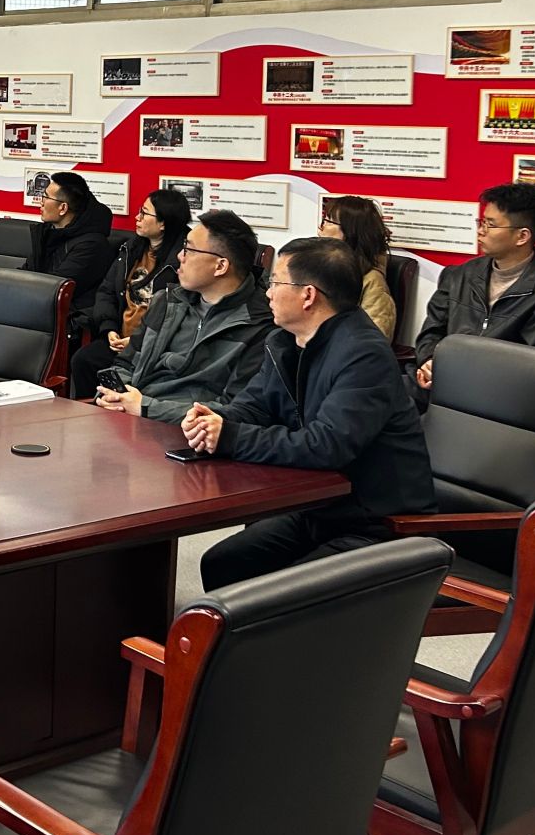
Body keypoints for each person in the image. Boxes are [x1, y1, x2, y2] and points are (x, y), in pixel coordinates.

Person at [184, 237, 434, 588]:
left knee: (284, 592)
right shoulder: (285, 341)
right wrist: (213, 420)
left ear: (308, 295)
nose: (268, 292)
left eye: (275, 282)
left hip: (376, 524)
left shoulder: (363, 355)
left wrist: (231, 436)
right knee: (225, 562)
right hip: (321, 509)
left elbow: (326, 445)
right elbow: (255, 405)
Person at [95, 209, 273, 423]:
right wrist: (116, 396)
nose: (180, 256)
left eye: (189, 249)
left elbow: (233, 410)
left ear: (220, 266)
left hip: (187, 431)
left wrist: (146, 408)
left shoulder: (260, 326)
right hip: (133, 416)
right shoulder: (167, 301)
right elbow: (126, 364)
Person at [412, 182, 535, 396]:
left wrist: (455, 375)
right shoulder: (459, 275)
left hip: (495, 397)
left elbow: (531, 371)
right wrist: (428, 361)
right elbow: (431, 332)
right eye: (482, 222)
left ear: (522, 236)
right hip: (440, 380)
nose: (480, 231)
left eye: (490, 225)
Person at [69, 188, 192, 398]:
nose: (137, 217)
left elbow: (178, 315)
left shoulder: (182, 261)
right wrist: (108, 328)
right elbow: (107, 290)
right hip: (118, 338)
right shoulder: (130, 249)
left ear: (163, 223)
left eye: (144, 213)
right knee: (84, 360)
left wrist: (137, 340)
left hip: (153, 346)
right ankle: (89, 412)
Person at [26, 171, 116, 318]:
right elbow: (27, 272)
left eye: (46, 197)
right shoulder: (49, 233)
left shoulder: (92, 246)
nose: (40, 202)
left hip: (67, 319)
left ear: (63, 208)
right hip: (40, 309)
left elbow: (55, 288)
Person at [319, 195, 397, 340]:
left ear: (350, 232)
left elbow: (374, 342)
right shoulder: (317, 268)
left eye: (328, 221)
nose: (321, 228)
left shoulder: (372, 282)